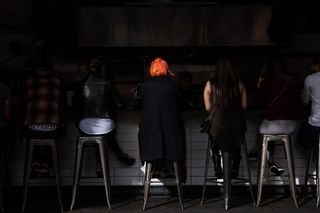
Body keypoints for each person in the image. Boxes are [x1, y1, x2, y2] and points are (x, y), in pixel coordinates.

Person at [74, 57, 135, 177]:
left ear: (87, 70)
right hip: (106, 126)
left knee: (97, 134)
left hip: (85, 126)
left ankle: (100, 162)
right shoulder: (107, 83)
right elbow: (120, 103)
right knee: (105, 133)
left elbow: (75, 105)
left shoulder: (80, 85)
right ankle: (117, 153)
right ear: (101, 69)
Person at [137, 57, 186, 181]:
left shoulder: (144, 87)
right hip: (173, 142)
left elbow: (133, 105)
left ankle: (156, 168)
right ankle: (169, 168)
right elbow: (184, 105)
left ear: (152, 70)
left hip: (150, 141)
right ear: (166, 69)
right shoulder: (174, 86)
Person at [252, 57, 300, 176]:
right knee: (268, 130)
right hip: (291, 125)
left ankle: (256, 151)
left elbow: (257, 100)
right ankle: (270, 162)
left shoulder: (267, 81)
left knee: (266, 129)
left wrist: (259, 84)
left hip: (274, 124)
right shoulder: (293, 81)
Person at [203, 57, 247, 178]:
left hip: (217, 129)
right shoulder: (238, 83)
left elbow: (208, 107)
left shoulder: (209, 84)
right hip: (236, 127)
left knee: (214, 137)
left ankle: (217, 165)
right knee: (237, 138)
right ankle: (235, 167)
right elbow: (244, 106)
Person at [20, 66, 64, 178]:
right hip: (52, 128)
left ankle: (35, 163)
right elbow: (62, 105)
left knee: (32, 136)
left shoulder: (28, 82)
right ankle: (45, 164)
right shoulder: (58, 81)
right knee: (53, 135)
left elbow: (22, 104)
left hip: (32, 127)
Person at [297, 55, 320, 150]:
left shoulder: (310, 78)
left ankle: (315, 153)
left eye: (309, 64)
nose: (308, 66)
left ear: (316, 64)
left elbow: (305, 102)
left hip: (315, 124)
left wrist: (303, 93)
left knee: (300, 139)